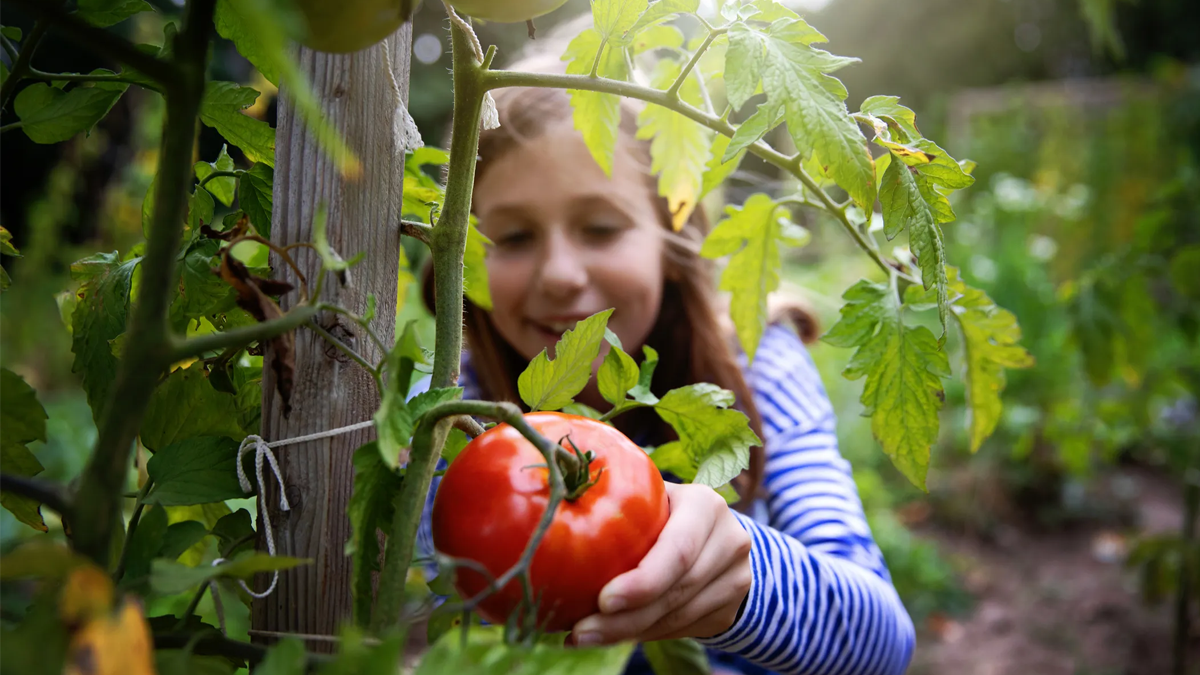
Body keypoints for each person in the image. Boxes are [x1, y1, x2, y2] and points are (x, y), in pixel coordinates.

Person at [412, 16, 916, 675]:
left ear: (672, 243)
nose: (561, 274)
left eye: (599, 226)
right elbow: (437, 618)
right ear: (459, 257)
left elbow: (882, 645)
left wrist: (745, 581)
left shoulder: (758, 365)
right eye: (512, 237)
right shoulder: (447, 414)